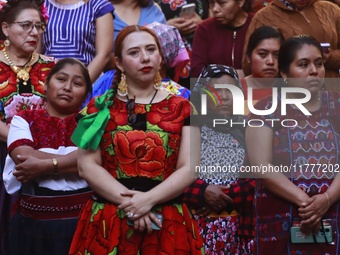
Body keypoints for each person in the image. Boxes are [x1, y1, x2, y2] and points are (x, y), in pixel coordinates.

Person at [69, 25, 203, 255]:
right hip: (110, 218)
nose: (145, 57)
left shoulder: (184, 107)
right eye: (134, 52)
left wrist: (148, 200)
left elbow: (190, 167)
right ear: (119, 63)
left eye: (151, 49)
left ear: (160, 57)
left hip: (167, 218)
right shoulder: (98, 107)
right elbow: (86, 166)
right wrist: (134, 205)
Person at [246, 35, 340, 254]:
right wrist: (308, 204)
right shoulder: (266, 108)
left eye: (318, 63)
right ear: (285, 74)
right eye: (303, 65)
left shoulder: (337, 104)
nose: (314, 71)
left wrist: (327, 199)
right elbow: (261, 167)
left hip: (334, 212)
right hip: (281, 219)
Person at [3, 58, 93, 255]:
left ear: (86, 94)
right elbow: (24, 157)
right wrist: (76, 161)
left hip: (83, 224)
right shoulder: (24, 118)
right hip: (32, 227)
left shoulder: (90, 123)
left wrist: (44, 165)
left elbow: (96, 160)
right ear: (46, 84)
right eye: (61, 79)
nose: (67, 87)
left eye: (77, 83)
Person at [0, 0, 56, 253]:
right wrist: (23, 143)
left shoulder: (52, 66)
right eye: (26, 25)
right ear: (5, 28)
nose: (34, 32)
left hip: (46, 153)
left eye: (39, 26)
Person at [185, 64, 254, 254]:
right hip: (196, 227)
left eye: (231, 90)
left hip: (239, 230)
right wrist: (203, 192)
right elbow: (175, 174)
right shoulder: (190, 128)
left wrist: (228, 195)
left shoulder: (249, 128)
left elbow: (261, 177)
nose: (224, 96)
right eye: (216, 90)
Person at [242, 0, 340, 91]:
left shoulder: (330, 9)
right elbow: (249, 65)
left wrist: (331, 58)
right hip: (288, 95)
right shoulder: (264, 17)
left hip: (334, 92)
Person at [42, 0, 115, 83]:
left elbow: (103, 55)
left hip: (88, 82)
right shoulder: (41, 4)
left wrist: (81, 85)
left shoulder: (99, 5)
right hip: (46, 83)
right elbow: (35, 53)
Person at [190, 0, 253, 78]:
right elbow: (196, 70)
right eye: (212, 3)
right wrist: (229, 75)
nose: (215, 9)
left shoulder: (256, 24)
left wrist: (247, 73)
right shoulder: (204, 29)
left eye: (222, 3)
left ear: (240, 2)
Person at [156, 0, 210, 88]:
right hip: (169, 61)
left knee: (202, 96)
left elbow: (215, 17)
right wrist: (166, 27)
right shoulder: (153, 3)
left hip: (200, 56)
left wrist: (202, 25)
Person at [242, 25, 283, 114]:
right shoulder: (236, 90)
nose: (271, 62)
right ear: (248, 57)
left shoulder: (293, 90)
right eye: (262, 54)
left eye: (276, 55)